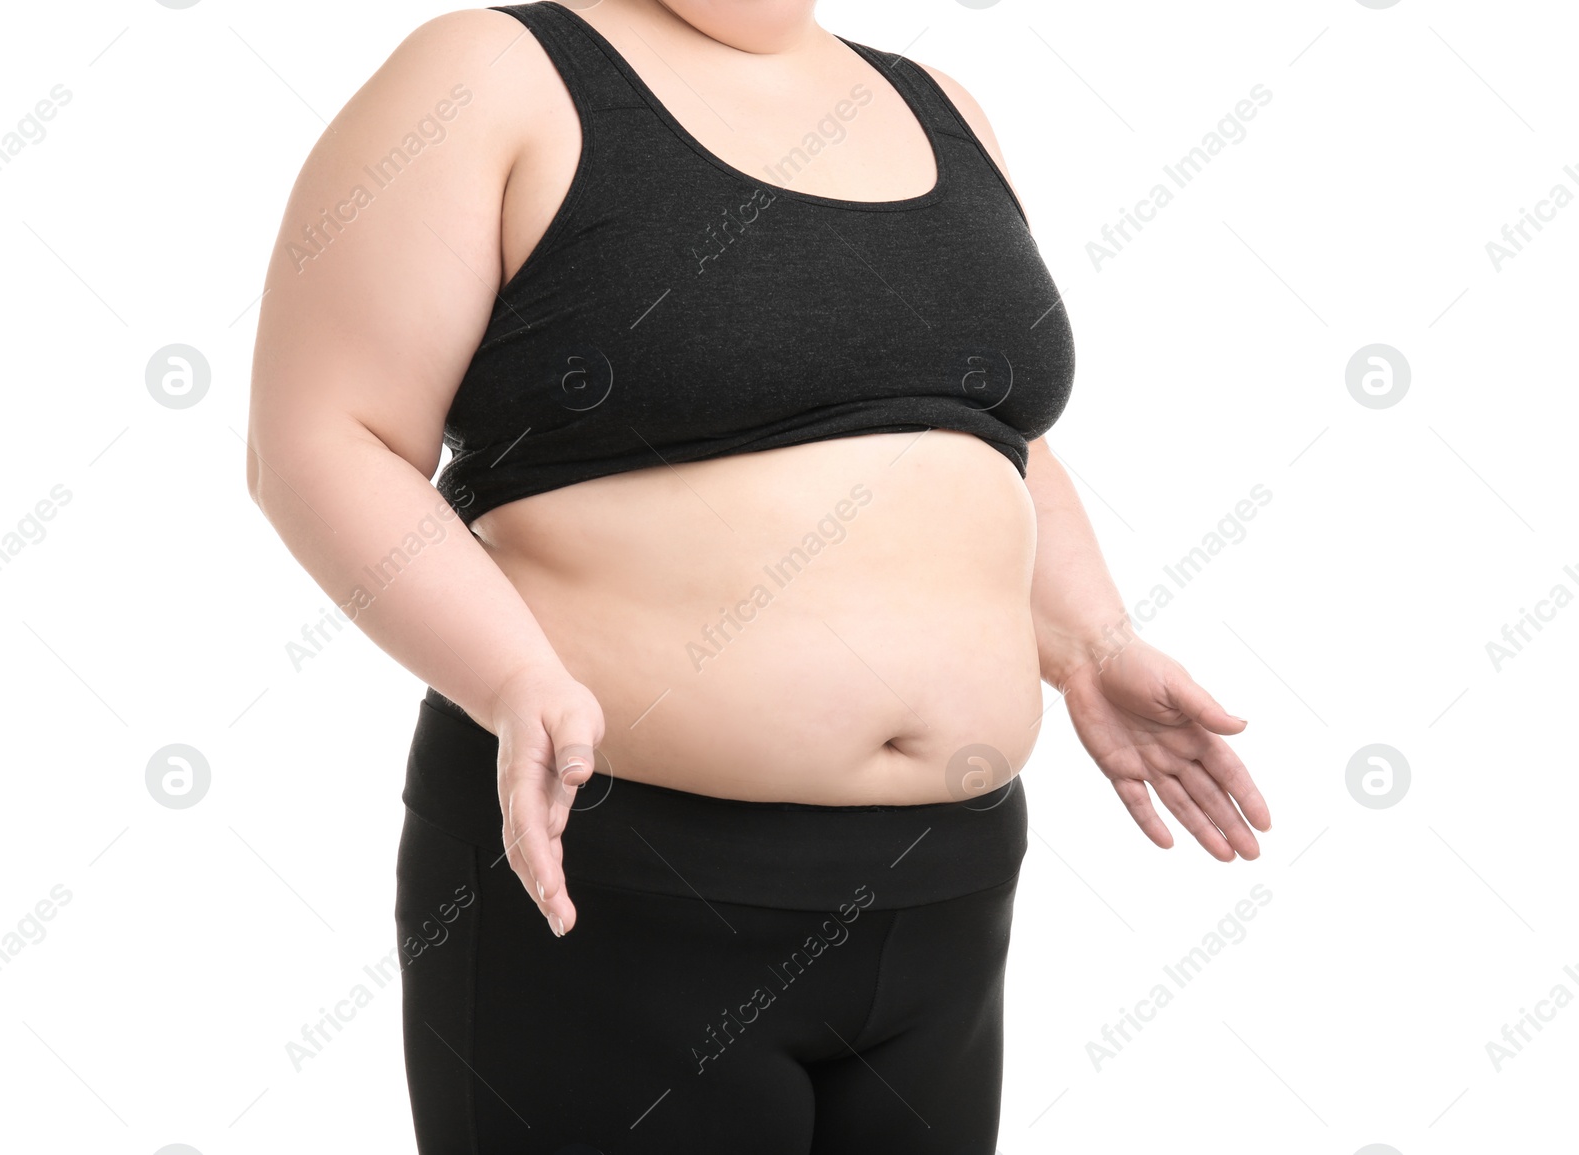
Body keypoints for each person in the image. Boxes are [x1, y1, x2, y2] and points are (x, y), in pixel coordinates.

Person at [245, 2, 1272, 1151]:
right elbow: (324, 439)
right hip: (618, 882)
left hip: (945, 891)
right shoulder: (493, 75)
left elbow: (995, 438)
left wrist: (1088, 642)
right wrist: (508, 678)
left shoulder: (938, 104)